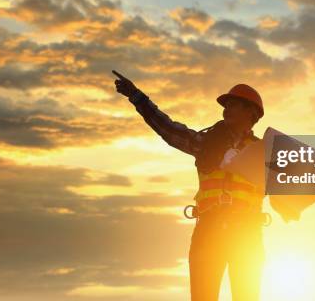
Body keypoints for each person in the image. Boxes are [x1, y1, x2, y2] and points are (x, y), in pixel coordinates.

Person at [113, 70, 267, 301]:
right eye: (226, 105)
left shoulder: (265, 153)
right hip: (209, 230)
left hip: (247, 233)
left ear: (251, 113)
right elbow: (168, 129)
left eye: (233, 104)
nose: (226, 109)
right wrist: (137, 97)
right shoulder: (205, 143)